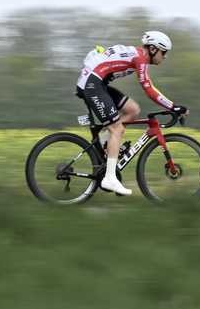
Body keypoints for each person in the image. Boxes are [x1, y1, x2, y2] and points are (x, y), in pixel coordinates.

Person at [75, 30, 185, 197]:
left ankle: (106, 144)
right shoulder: (140, 58)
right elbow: (148, 88)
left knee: (132, 109)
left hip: (97, 82)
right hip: (92, 84)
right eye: (164, 53)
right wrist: (173, 106)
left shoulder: (138, 55)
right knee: (117, 129)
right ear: (154, 49)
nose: (165, 57)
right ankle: (110, 178)